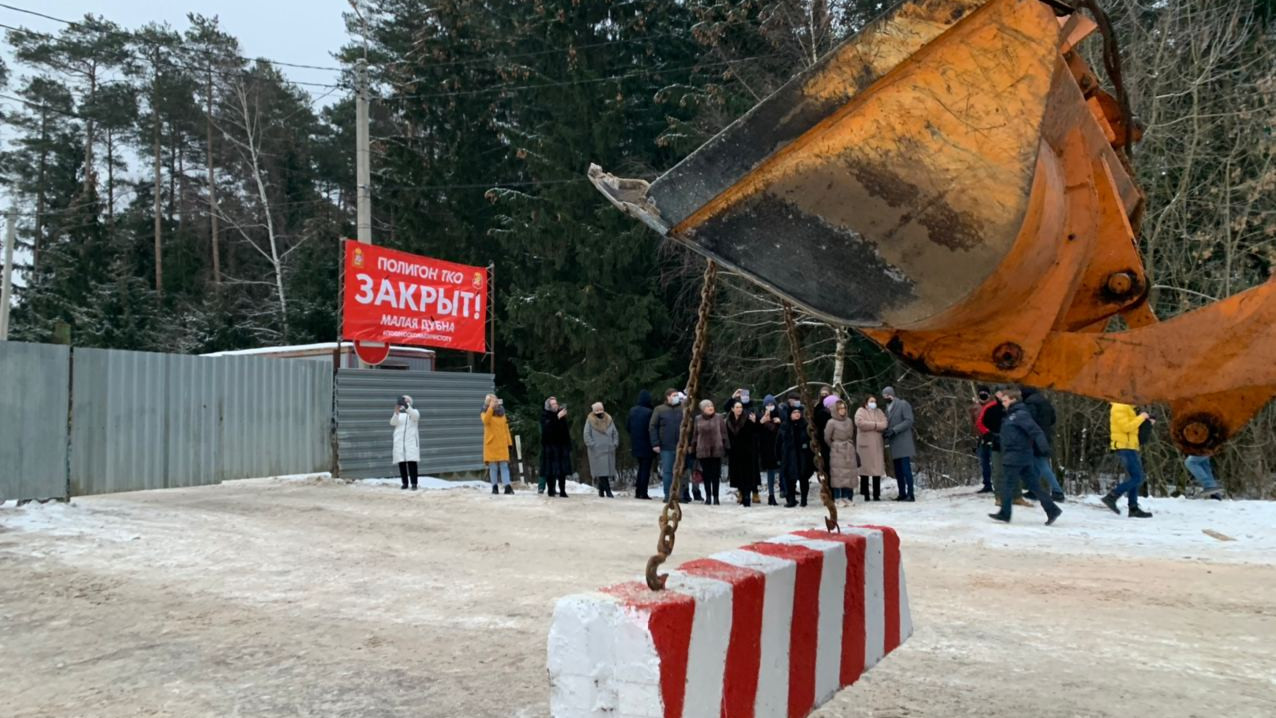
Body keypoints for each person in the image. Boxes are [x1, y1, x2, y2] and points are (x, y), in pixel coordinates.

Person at [988, 388, 1063, 525]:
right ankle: (1052, 510)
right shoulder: (1012, 414)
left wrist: (1044, 448)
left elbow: (1035, 431)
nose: (1003, 403)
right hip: (1018, 454)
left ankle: (1005, 513)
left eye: (1005, 401)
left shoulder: (1020, 415)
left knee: (1007, 483)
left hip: (1017, 454)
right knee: (1034, 485)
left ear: (1013, 400)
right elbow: (1014, 433)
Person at [1103, 402, 1153, 518]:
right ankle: (1112, 496)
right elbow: (1126, 427)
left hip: (1131, 447)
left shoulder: (1129, 408)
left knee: (1135, 477)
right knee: (1137, 477)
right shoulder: (1119, 407)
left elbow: (1133, 429)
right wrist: (1141, 417)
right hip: (1124, 447)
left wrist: (1147, 423)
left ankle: (1133, 508)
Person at [650, 389, 696, 502]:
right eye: (673, 395)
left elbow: (690, 427)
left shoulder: (684, 409)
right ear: (667, 397)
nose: (676, 397)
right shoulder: (659, 410)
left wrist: (689, 444)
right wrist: (655, 443)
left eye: (676, 395)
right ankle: (668, 495)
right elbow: (653, 426)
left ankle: (680, 495)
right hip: (666, 446)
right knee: (668, 472)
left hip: (682, 446)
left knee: (682, 471)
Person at [1021, 386, 1065, 502]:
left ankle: (1057, 491)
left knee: (1041, 464)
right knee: (1037, 464)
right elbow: (1053, 419)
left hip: (1035, 436)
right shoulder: (1045, 402)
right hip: (1046, 435)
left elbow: (1029, 420)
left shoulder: (1030, 403)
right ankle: (1034, 490)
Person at [881, 386, 917, 501]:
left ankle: (910, 494)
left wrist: (895, 430)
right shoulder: (887, 409)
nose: (886, 398)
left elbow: (909, 420)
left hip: (904, 442)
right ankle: (902, 493)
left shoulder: (903, 404)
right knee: (898, 471)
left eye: (887, 396)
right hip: (894, 443)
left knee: (906, 470)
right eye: (884, 397)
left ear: (892, 395)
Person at [691, 399, 729, 505]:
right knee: (706, 475)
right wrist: (693, 448)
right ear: (703, 409)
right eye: (708, 406)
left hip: (717, 449)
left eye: (711, 405)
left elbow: (724, 433)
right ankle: (708, 497)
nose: (710, 407)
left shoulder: (719, 417)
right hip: (703, 450)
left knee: (715, 475)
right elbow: (695, 434)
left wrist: (726, 446)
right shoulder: (698, 419)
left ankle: (716, 497)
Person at [725, 399, 759, 507]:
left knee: (747, 475)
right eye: (737, 407)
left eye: (741, 407)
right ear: (732, 409)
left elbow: (755, 433)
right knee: (738, 475)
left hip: (747, 451)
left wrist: (755, 423)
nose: (739, 409)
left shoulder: (748, 418)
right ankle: (742, 495)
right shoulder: (728, 421)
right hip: (734, 452)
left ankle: (747, 497)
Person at [823, 399, 857, 507]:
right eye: (840, 409)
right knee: (838, 474)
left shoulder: (849, 421)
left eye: (843, 408)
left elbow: (852, 434)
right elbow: (827, 437)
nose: (842, 410)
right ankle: (838, 497)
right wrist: (834, 445)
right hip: (837, 449)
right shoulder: (831, 422)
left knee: (849, 474)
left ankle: (847, 497)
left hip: (848, 448)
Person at [779, 404, 814, 507]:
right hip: (789, 456)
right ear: (790, 414)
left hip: (803, 456)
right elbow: (779, 442)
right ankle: (791, 500)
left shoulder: (805, 425)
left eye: (798, 412)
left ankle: (804, 499)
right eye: (794, 412)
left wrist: (807, 447)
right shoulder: (785, 426)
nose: (797, 414)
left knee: (804, 479)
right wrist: (779, 456)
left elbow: (811, 440)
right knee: (790, 479)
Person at [854, 395, 888, 501]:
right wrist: (875, 425)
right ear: (866, 402)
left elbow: (885, 424)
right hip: (865, 446)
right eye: (871, 401)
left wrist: (874, 425)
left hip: (876, 444)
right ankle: (865, 494)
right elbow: (860, 423)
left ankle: (876, 494)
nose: (873, 403)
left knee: (876, 471)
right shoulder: (860, 411)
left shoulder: (879, 412)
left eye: (875, 401)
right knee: (865, 471)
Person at [584, 401, 620, 498]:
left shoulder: (609, 419)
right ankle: (608, 491)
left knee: (605, 471)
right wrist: (592, 445)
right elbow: (586, 434)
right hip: (597, 451)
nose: (600, 412)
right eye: (597, 411)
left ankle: (601, 491)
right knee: (601, 471)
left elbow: (615, 432)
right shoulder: (590, 421)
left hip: (609, 449)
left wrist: (615, 443)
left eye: (601, 410)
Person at [481, 394, 514, 495]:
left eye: (496, 400)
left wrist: (509, 442)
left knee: (504, 466)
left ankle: (507, 486)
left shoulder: (502, 412)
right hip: (491, 444)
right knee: (493, 467)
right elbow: (486, 421)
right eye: (493, 401)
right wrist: (490, 408)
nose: (495, 402)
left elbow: (505, 428)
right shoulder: (484, 411)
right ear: (488, 402)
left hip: (502, 443)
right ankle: (494, 487)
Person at [540, 397, 573, 498]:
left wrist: (568, 444)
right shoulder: (545, 415)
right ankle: (550, 490)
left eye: (556, 403)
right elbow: (546, 430)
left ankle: (563, 490)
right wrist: (557, 417)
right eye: (553, 404)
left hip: (561, 446)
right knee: (550, 471)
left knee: (562, 471)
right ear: (548, 406)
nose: (555, 405)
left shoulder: (561, 415)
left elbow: (565, 430)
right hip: (550, 446)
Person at [627, 390, 656, 500]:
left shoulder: (632, 411)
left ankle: (638, 490)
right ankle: (643, 492)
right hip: (647, 443)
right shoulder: (649, 412)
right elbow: (652, 428)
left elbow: (628, 426)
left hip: (636, 443)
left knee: (640, 468)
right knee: (645, 469)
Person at [972, 386, 999, 493]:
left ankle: (998, 484)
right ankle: (987, 484)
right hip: (981, 438)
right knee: (984, 462)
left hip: (993, 437)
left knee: (995, 462)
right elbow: (974, 424)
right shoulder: (975, 408)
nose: (983, 396)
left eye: (985, 394)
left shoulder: (994, 406)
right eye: (981, 394)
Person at [390, 394, 420, 490]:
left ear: (410, 402)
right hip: (400, 443)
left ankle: (414, 483)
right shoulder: (400, 415)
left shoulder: (414, 412)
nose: (404, 402)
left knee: (412, 463)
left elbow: (415, 417)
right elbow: (393, 422)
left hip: (411, 442)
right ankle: (405, 483)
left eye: (406, 401)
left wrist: (407, 407)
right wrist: (396, 411)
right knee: (402, 464)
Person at [758, 394, 784, 505]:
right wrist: (761, 423)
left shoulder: (779, 415)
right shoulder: (761, 416)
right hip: (767, 449)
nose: (770, 406)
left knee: (783, 471)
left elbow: (785, 430)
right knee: (771, 473)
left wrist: (780, 422)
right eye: (767, 405)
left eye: (771, 404)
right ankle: (771, 495)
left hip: (779, 447)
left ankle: (786, 492)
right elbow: (757, 433)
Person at [813, 386, 835, 482]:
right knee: (827, 463)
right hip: (823, 438)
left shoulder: (834, 407)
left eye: (826, 394)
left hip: (835, 437)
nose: (824, 396)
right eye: (822, 394)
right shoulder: (817, 407)